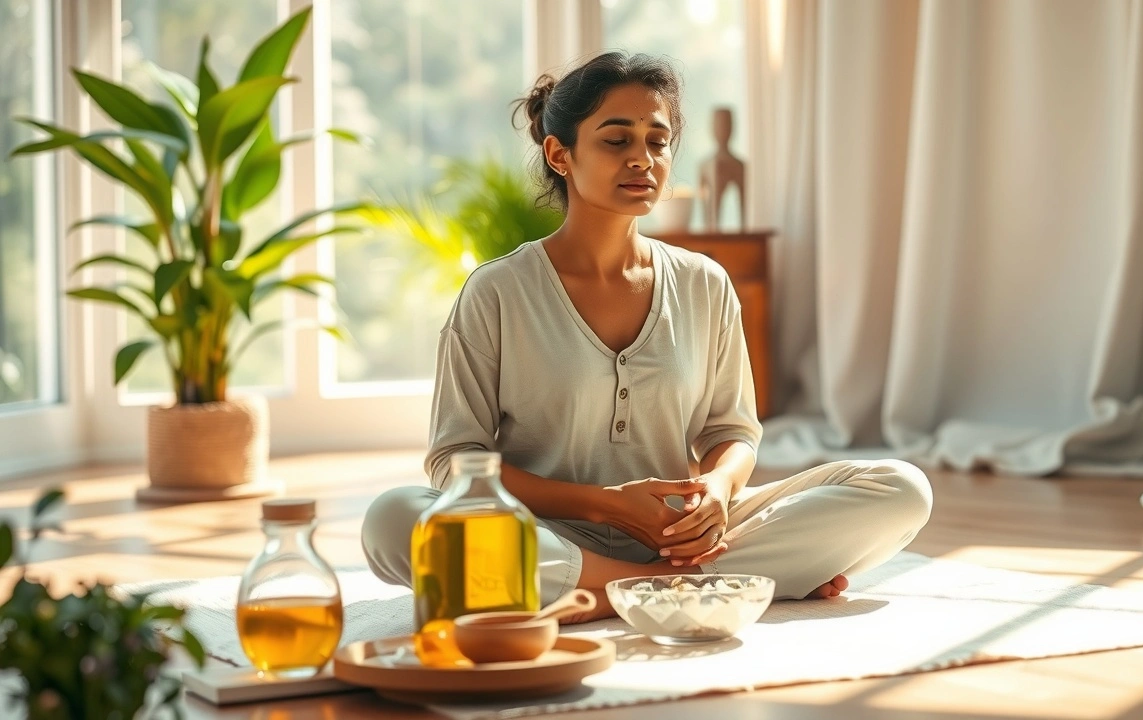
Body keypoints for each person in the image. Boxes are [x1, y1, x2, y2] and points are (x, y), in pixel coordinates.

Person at [362, 51, 933, 623]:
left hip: (680, 534)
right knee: (394, 519)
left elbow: (731, 430)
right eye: (616, 141)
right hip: (542, 535)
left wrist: (715, 488)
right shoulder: (497, 293)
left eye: (657, 143)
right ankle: (671, 587)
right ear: (560, 154)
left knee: (900, 487)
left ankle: (602, 592)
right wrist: (607, 506)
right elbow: (454, 462)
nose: (642, 160)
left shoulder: (704, 282)